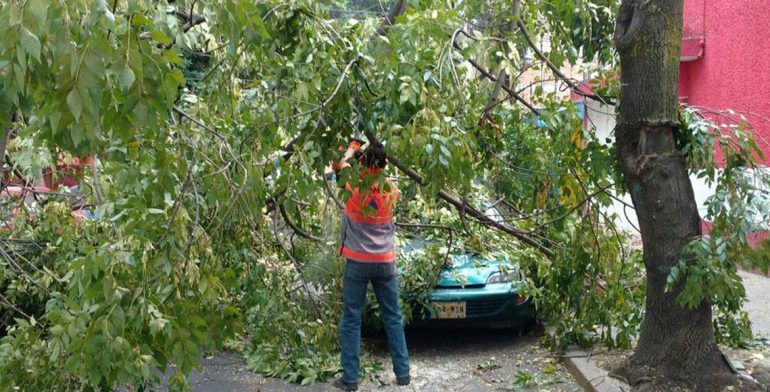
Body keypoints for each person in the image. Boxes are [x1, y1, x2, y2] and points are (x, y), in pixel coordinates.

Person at [332, 139, 410, 391]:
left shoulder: (352, 186)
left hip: (358, 262)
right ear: (385, 164)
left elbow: (338, 165)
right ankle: (403, 374)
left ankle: (351, 379)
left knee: (352, 319)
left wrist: (352, 148)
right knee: (393, 317)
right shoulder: (392, 191)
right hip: (385, 263)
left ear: (362, 162)